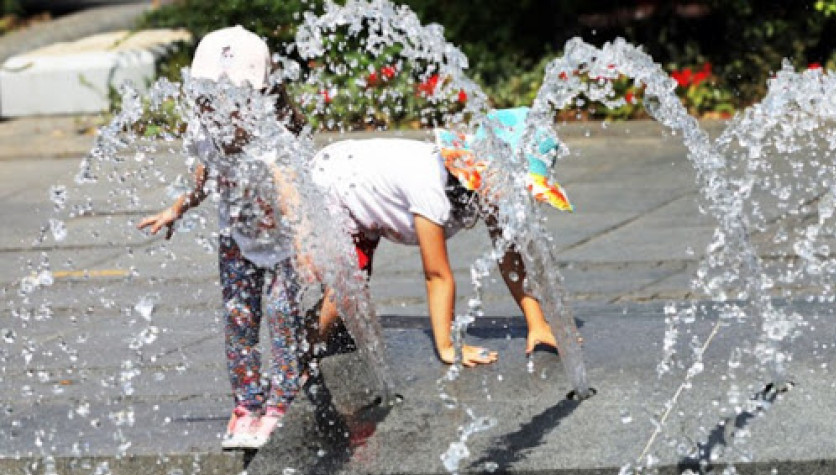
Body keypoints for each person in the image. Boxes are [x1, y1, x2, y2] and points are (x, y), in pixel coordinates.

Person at [137, 25, 306, 450]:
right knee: (238, 319)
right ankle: (247, 404)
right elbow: (204, 174)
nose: (215, 113)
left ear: (256, 98)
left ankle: (282, 400)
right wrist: (178, 207)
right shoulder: (204, 133)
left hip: (284, 245)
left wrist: (306, 245)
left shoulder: (272, 140)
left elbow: (291, 194)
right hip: (236, 238)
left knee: (283, 316)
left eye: (226, 102)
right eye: (206, 100)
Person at [309, 107, 574, 367]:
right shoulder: (431, 187)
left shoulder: (485, 186)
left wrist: (537, 323)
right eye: (515, 187)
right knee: (345, 285)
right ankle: (296, 362)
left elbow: (510, 257)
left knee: (352, 286)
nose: (517, 197)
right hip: (334, 183)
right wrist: (448, 346)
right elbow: (437, 275)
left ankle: (323, 334)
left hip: (363, 186)